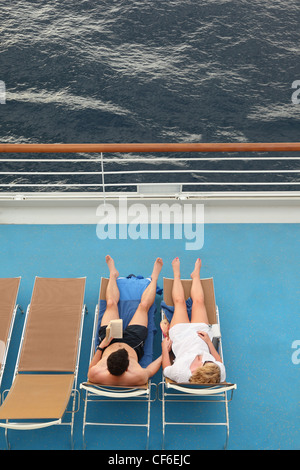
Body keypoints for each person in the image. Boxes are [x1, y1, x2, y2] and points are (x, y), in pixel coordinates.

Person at [88, 255, 163, 386]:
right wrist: (165, 353)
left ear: (106, 364)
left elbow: (91, 368)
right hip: (133, 342)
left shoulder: (95, 375)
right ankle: (154, 278)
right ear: (128, 368)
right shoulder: (138, 376)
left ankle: (113, 274)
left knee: (111, 303)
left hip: (108, 341)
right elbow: (150, 371)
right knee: (143, 307)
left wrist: (101, 347)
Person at [162, 257, 225, 384]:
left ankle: (176, 275)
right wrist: (209, 342)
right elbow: (219, 361)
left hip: (180, 335)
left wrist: (164, 348)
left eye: (202, 360)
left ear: (199, 368)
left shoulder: (180, 373)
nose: (203, 357)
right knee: (199, 302)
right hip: (201, 335)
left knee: (179, 303)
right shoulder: (218, 373)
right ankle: (195, 275)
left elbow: (166, 369)